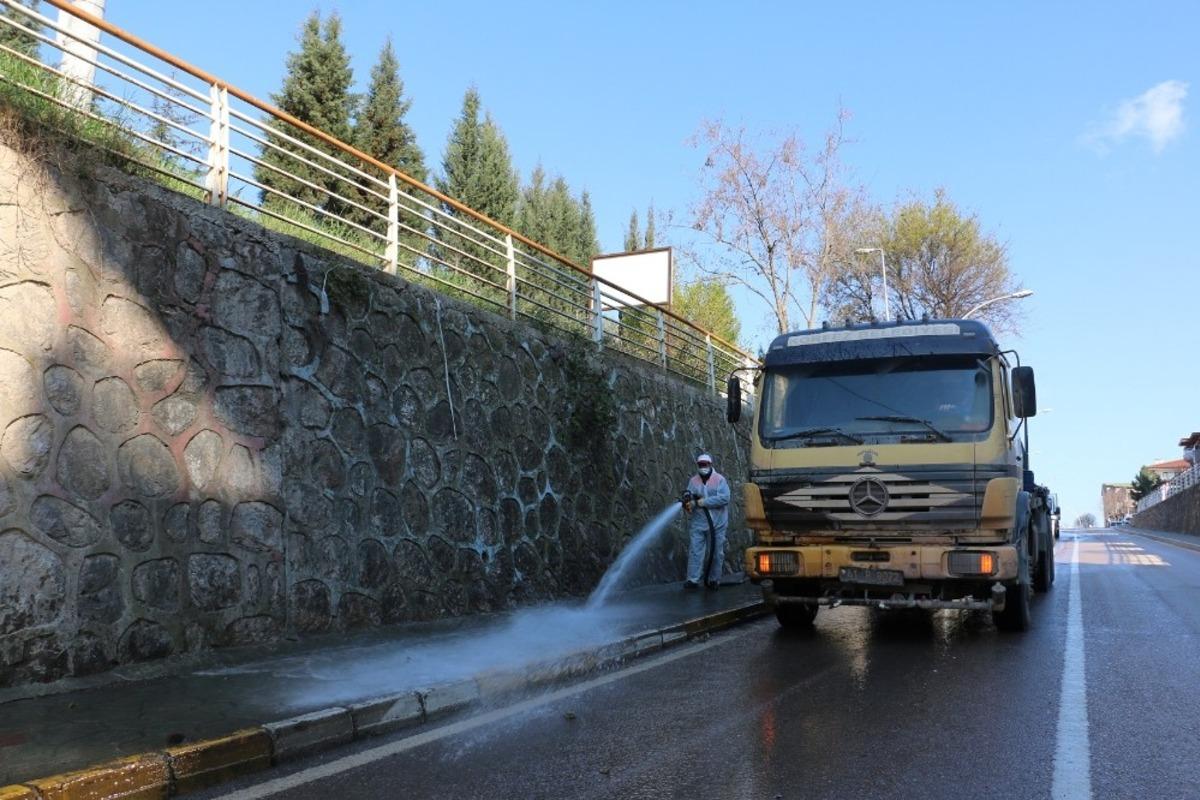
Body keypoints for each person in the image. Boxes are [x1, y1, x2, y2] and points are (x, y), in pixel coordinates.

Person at [681, 453, 730, 590]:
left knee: (716, 552)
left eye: (705, 464)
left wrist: (704, 502)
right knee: (695, 551)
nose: (703, 467)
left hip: (718, 524)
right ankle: (692, 580)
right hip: (699, 523)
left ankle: (714, 580)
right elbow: (689, 496)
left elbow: (725, 498)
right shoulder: (693, 481)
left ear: (710, 464)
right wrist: (688, 504)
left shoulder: (719, 479)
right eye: (700, 465)